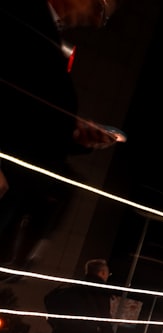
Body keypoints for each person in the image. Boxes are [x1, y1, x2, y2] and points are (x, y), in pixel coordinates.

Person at [0, 0, 122, 272]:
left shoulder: (45, 32)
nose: (94, 21)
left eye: (101, 18)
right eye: (99, 10)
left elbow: (32, 110)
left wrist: (75, 133)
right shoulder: (22, 17)